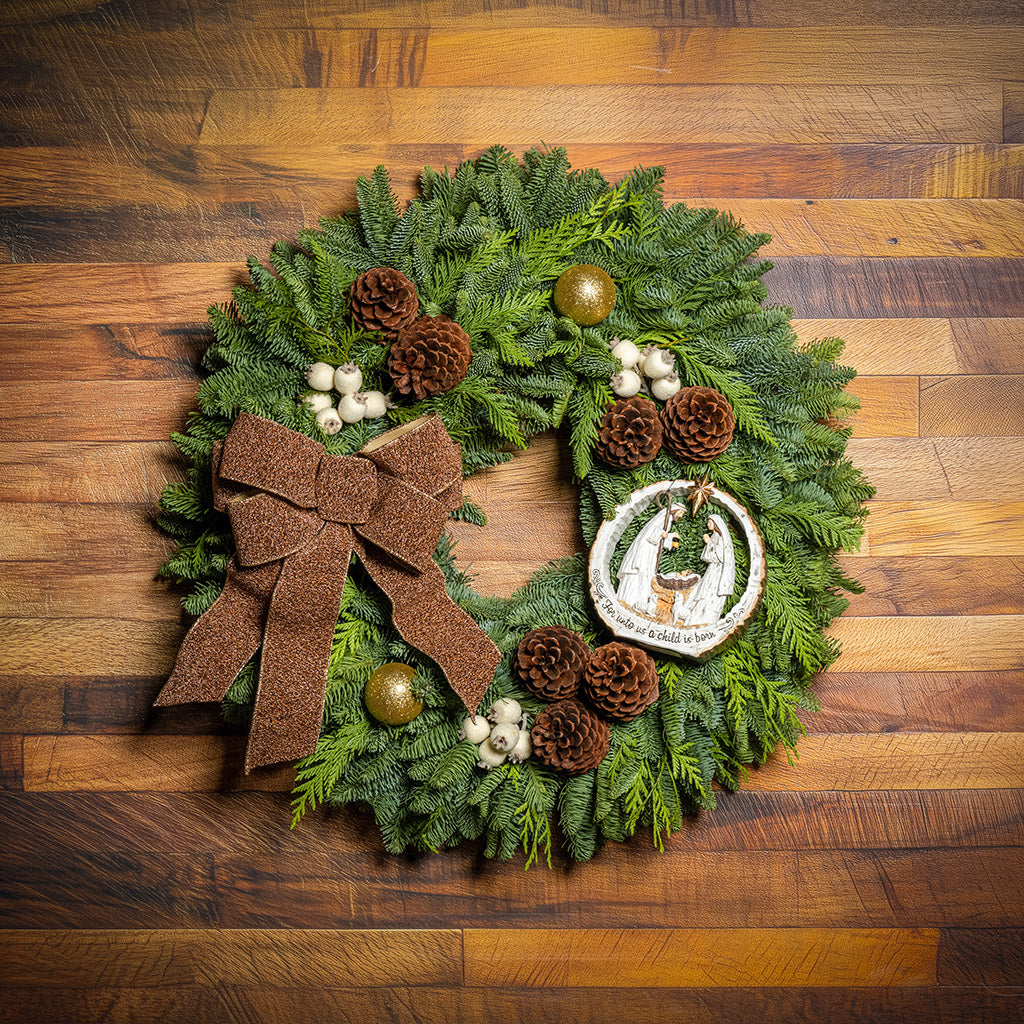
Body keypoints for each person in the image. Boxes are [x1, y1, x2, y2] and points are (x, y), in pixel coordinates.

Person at [616, 502, 683, 617]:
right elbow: (652, 535)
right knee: (639, 575)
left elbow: (660, 539)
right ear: (674, 510)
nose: (681, 516)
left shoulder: (668, 521)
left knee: (646, 577)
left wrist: (670, 538)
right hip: (644, 552)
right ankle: (628, 601)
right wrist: (666, 535)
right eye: (681, 512)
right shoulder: (663, 518)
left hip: (650, 552)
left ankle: (639, 604)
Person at [673, 514, 736, 626]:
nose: (708, 525)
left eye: (710, 522)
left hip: (717, 573)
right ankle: (693, 620)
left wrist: (709, 543)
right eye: (708, 522)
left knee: (708, 594)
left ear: (716, 524)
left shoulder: (719, 538)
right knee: (703, 592)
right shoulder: (715, 536)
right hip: (713, 570)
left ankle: (701, 621)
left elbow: (720, 557)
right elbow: (706, 557)